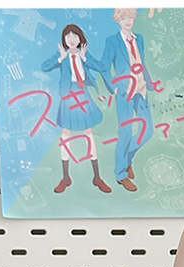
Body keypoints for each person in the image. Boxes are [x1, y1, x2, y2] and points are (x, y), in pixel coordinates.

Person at [42, 23, 112, 194]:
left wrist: (85, 58)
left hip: (82, 93)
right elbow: (45, 67)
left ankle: (97, 177)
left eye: (75, 36)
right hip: (68, 95)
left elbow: (102, 67)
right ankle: (66, 178)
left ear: (80, 38)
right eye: (68, 37)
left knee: (88, 132)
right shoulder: (62, 56)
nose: (72, 40)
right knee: (66, 133)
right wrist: (60, 58)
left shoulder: (83, 54)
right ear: (64, 40)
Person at [101, 8, 155, 192]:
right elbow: (104, 67)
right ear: (118, 19)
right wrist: (114, 87)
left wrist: (149, 82)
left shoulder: (139, 39)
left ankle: (126, 161)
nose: (128, 20)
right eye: (124, 17)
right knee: (125, 133)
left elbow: (141, 62)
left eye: (130, 17)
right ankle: (120, 174)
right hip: (125, 93)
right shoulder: (112, 41)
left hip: (141, 90)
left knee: (147, 131)